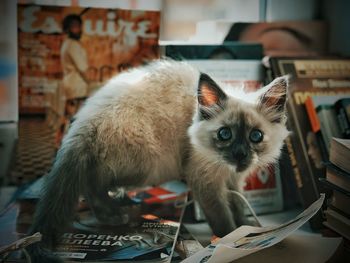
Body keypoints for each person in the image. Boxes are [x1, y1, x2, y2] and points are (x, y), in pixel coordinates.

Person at [56, 14, 89, 147]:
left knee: (68, 116)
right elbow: (83, 67)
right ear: (68, 28)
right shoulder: (73, 45)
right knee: (76, 117)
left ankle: (60, 143)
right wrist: (89, 81)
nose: (78, 29)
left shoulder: (67, 43)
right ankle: (69, 145)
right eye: (74, 26)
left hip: (71, 84)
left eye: (79, 26)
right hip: (77, 85)